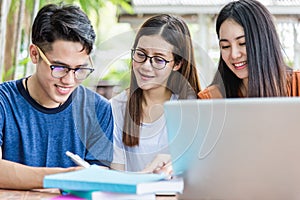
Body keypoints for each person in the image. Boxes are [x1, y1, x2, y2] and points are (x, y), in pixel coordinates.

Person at [0, 4, 113, 189]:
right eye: (59, 68)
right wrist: (62, 176)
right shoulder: (3, 102)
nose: (69, 80)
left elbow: (97, 181)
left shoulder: (98, 110)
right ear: (35, 54)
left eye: (79, 69)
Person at [110, 14, 201, 172]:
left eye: (159, 59)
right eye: (140, 54)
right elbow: (117, 175)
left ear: (177, 64)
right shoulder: (117, 107)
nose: (145, 66)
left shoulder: (193, 108)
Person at [198, 0, 300, 99]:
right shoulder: (210, 98)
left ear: (264, 42)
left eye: (243, 43)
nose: (234, 55)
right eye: (225, 46)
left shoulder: (297, 85)